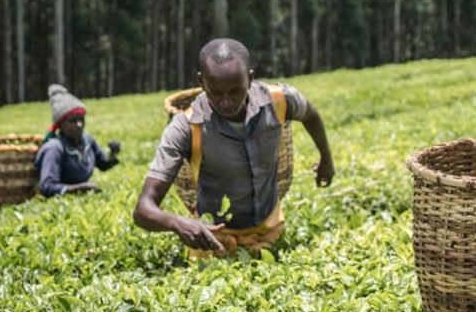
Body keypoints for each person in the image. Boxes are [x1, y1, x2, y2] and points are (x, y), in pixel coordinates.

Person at [132, 38, 335, 257]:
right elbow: (143, 210)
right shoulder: (186, 126)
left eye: (235, 91)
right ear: (202, 82)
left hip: (268, 231)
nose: (226, 102)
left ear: (250, 78)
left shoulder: (280, 100)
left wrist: (326, 159)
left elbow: (311, 115)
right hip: (212, 241)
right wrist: (178, 223)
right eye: (216, 93)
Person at [35, 84, 121, 197]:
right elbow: (47, 186)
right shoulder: (55, 148)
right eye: (72, 121)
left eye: (81, 119)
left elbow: (103, 165)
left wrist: (113, 154)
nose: (79, 124)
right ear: (60, 125)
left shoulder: (87, 141)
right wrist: (78, 188)